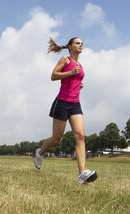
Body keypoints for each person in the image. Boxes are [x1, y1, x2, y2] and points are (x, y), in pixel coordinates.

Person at [34, 37, 97, 184]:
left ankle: (82, 174)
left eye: (82, 43)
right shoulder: (65, 60)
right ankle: (39, 152)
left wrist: (78, 85)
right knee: (56, 139)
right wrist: (69, 73)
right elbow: (53, 76)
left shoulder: (79, 65)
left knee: (80, 135)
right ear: (70, 46)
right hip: (62, 102)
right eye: (77, 43)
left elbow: (74, 80)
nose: (80, 45)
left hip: (75, 104)